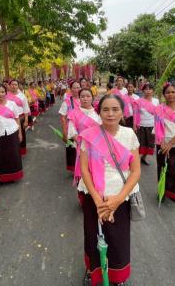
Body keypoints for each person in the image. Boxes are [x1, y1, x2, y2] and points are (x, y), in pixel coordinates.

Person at [75, 94, 141, 286]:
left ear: (122, 112)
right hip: (93, 195)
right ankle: (93, 270)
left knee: (118, 237)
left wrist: (118, 199)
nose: (110, 114)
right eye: (105, 109)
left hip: (121, 195)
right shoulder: (89, 135)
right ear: (99, 112)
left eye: (115, 109)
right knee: (93, 234)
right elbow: (85, 171)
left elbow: (135, 171)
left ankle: (117, 275)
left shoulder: (129, 135)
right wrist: (97, 200)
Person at [67, 88, 101, 204]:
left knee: (96, 172)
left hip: (98, 149)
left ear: (92, 97)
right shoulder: (74, 113)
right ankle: (83, 198)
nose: (85, 98)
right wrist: (83, 143)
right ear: (79, 98)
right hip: (83, 148)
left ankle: (96, 196)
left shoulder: (98, 112)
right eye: (82, 96)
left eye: (88, 96)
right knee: (83, 172)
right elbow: (72, 132)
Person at [0, 84, 24, 182]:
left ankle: (14, 175)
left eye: (3, 92)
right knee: (1, 156)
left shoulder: (12, 104)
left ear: (6, 93)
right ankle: (2, 177)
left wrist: (19, 133)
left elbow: (17, 118)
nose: (0, 94)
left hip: (12, 132)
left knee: (13, 155)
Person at [133, 83, 159, 165]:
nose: (148, 91)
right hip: (141, 126)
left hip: (152, 126)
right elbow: (135, 114)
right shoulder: (139, 101)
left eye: (150, 89)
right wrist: (134, 125)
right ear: (143, 90)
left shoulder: (156, 101)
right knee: (140, 144)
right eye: (146, 89)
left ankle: (144, 157)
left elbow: (158, 114)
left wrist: (158, 126)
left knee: (150, 144)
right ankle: (135, 160)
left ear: (153, 91)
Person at [59, 80, 81, 172]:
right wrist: (64, 133)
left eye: (78, 87)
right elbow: (63, 118)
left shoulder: (85, 99)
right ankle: (74, 169)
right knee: (72, 150)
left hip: (83, 130)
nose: (76, 89)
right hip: (71, 130)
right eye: (74, 88)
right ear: (71, 89)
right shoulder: (67, 101)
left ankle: (83, 168)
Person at [8, 79, 30, 156]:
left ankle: (21, 150)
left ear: (18, 86)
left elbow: (26, 108)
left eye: (15, 84)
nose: (14, 86)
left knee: (21, 135)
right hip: (9, 119)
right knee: (12, 135)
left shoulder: (22, 96)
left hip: (20, 118)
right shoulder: (6, 95)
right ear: (9, 85)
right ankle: (12, 151)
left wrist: (26, 120)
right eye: (12, 84)